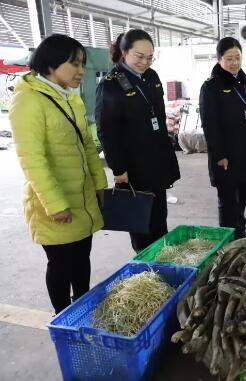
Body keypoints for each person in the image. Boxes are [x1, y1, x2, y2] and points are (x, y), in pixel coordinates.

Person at [10, 34, 107, 314]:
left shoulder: (70, 99)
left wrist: (99, 183)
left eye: (82, 64)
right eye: (74, 64)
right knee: (61, 264)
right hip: (54, 203)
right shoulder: (28, 101)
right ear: (51, 64)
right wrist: (55, 204)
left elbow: (87, 145)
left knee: (81, 257)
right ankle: (64, 316)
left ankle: (84, 307)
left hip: (81, 197)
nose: (81, 71)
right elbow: (32, 159)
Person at [96, 29, 180, 252]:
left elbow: (158, 115)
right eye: (139, 56)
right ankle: (146, 264)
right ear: (124, 52)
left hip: (157, 159)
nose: (145, 62)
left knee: (159, 215)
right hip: (133, 164)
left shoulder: (151, 77)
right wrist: (118, 168)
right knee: (141, 220)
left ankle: (162, 257)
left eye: (149, 57)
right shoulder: (110, 85)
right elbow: (107, 131)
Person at [199, 37, 246, 239]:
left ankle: (240, 231)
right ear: (219, 59)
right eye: (229, 58)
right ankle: (228, 239)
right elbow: (210, 125)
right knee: (228, 201)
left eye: (237, 57)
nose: (234, 62)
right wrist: (219, 155)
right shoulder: (211, 87)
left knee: (243, 196)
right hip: (226, 157)